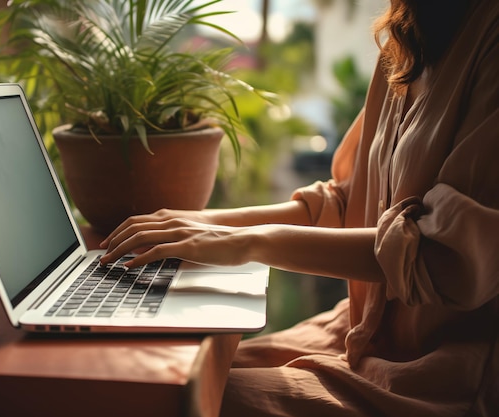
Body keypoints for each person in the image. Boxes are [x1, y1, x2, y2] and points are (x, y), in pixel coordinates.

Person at [99, 0, 499, 415]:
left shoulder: (489, 37)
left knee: (175, 399)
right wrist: (203, 223)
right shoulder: (404, 38)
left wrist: (248, 242)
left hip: (446, 378)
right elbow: (346, 200)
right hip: (361, 333)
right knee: (166, 374)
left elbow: (441, 255)